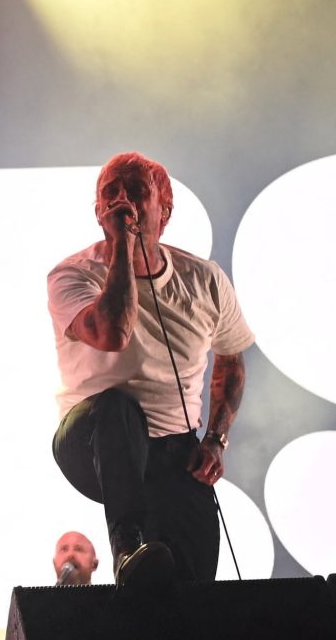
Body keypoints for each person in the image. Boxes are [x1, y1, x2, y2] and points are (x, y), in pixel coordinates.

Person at [45, 153, 254, 584]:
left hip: (171, 449)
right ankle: (125, 546)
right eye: (111, 194)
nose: (123, 201)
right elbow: (113, 333)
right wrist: (124, 244)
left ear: (166, 209)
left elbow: (231, 360)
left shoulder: (204, 280)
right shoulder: (73, 275)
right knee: (117, 408)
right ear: (99, 212)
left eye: (137, 192)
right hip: (92, 440)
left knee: (193, 581)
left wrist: (215, 439)